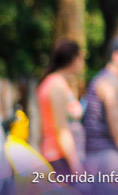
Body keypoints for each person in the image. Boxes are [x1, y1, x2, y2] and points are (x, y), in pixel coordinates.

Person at [83, 36, 118, 174]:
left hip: (101, 155)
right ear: (116, 56)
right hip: (107, 157)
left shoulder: (106, 78)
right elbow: (114, 122)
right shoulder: (110, 82)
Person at [36, 39, 85, 175]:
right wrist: (76, 166)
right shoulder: (56, 85)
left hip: (58, 155)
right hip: (59, 156)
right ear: (74, 59)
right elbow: (61, 128)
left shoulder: (55, 82)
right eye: (81, 58)